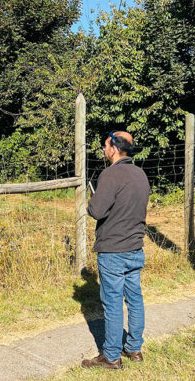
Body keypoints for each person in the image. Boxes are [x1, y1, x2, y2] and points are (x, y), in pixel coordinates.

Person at [81, 131, 150, 370]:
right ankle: (133, 348)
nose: (103, 149)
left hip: (113, 249)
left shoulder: (110, 174)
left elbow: (97, 211)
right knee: (135, 299)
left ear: (114, 148)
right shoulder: (140, 174)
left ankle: (110, 356)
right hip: (135, 247)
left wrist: (91, 202)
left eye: (105, 145)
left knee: (112, 302)